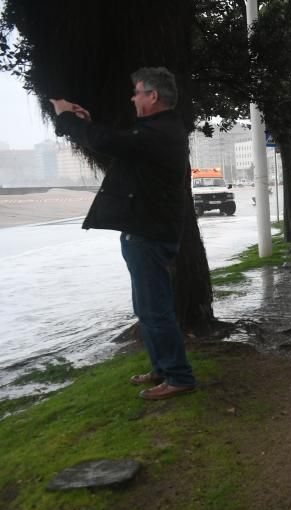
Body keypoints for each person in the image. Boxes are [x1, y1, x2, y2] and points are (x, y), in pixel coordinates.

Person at [50, 67, 196, 400]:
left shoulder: (159, 132)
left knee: (154, 309)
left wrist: (67, 119)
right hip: (147, 229)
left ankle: (178, 376)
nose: (133, 98)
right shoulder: (161, 130)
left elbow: (106, 141)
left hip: (148, 232)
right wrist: (86, 122)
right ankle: (163, 368)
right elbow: (117, 142)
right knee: (146, 307)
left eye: (138, 92)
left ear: (153, 96)